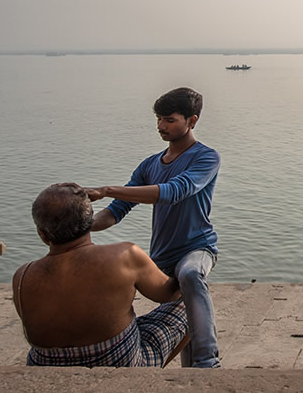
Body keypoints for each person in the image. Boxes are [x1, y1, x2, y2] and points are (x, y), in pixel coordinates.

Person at [85, 87, 221, 368]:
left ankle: (209, 363)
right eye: (159, 119)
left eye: (170, 120)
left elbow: (174, 191)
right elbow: (114, 213)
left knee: (192, 274)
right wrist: (76, 224)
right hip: (161, 258)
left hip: (197, 247)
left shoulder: (206, 158)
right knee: (183, 323)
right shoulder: (149, 165)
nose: (161, 126)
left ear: (191, 121)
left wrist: (108, 189)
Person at [12, 183, 187, 367]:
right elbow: (170, 294)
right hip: (117, 363)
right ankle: (150, 374)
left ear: (43, 235)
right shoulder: (125, 256)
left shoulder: (22, 277)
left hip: (47, 367)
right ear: (90, 223)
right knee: (193, 300)